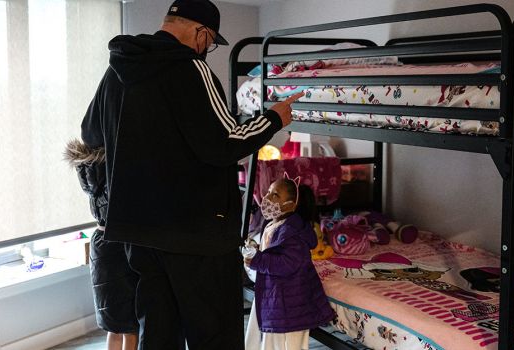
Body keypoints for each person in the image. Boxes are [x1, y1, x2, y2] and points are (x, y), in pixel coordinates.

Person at [79, 0, 303, 348]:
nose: (206, 49)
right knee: (213, 333)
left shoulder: (117, 71)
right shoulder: (191, 70)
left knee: (157, 330)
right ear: (200, 33)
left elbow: (91, 134)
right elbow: (225, 142)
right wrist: (274, 118)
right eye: (209, 41)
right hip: (196, 234)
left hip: (138, 232)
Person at [243, 176, 335, 350]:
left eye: (275, 195)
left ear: (291, 205)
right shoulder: (273, 224)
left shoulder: (294, 233)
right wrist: (257, 250)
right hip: (273, 292)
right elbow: (273, 252)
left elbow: (288, 263)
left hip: (290, 301)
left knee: (289, 343)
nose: (268, 198)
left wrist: (258, 260)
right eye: (269, 192)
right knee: (268, 337)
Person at [64, 140, 139, 350]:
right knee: (130, 327)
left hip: (100, 243)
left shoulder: (90, 173)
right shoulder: (116, 172)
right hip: (119, 244)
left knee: (113, 327)